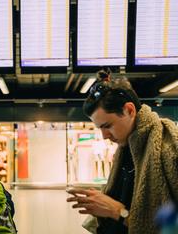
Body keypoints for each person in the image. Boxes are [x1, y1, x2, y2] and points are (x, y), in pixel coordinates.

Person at [67, 69, 178, 234]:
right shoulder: (126, 149)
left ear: (130, 110)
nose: (104, 136)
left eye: (107, 126)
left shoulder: (169, 149)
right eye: (100, 128)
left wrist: (117, 211)